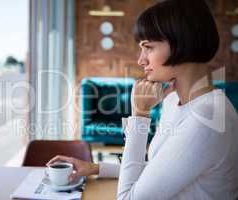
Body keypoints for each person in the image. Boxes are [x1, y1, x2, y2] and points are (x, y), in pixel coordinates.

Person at [47, 0, 238, 199]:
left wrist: (139, 114)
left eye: (148, 47)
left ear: (181, 43)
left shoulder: (207, 120)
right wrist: (95, 168)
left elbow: (128, 198)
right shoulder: (174, 101)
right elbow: (159, 172)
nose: (141, 60)